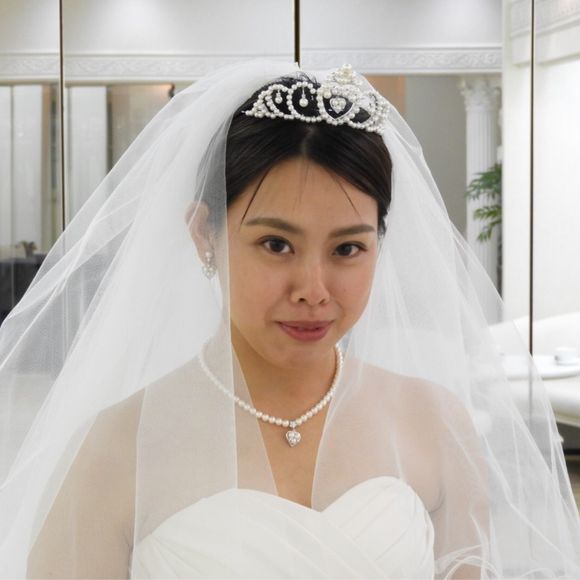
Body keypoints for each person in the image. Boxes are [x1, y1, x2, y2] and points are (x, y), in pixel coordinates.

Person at [1, 59, 579, 579]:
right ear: (204, 235)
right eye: (276, 244)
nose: (313, 290)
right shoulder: (114, 448)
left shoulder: (436, 422)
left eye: (347, 248)